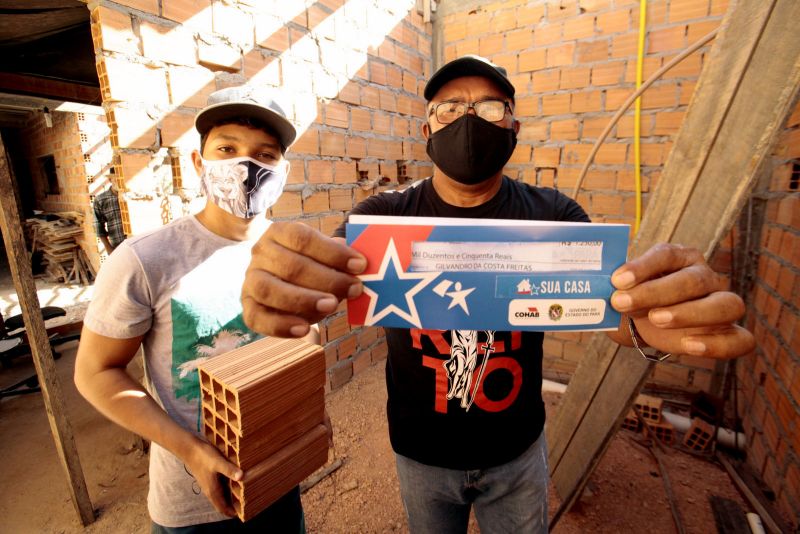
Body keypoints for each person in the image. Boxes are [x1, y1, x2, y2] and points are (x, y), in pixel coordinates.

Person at [240, 56, 755, 533]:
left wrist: (655, 319)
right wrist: (291, 281)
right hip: (421, 452)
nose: (470, 121)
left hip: (516, 452)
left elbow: (612, 309)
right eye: (450, 109)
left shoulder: (554, 216)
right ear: (427, 130)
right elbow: (329, 277)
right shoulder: (382, 218)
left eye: (489, 108)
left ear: (513, 128)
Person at [74, 85, 308, 532]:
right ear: (199, 162)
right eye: (227, 148)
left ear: (283, 171)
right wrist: (191, 450)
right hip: (193, 501)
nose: (246, 165)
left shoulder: (288, 252)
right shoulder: (145, 259)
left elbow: (296, 347)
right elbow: (94, 372)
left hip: (277, 477)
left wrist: (306, 421)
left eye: (266, 154)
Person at [93, 182, 125, 254]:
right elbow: (98, 227)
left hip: (137, 243)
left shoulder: (131, 195)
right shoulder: (100, 200)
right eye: (116, 178)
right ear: (110, 179)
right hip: (118, 247)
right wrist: (108, 248)